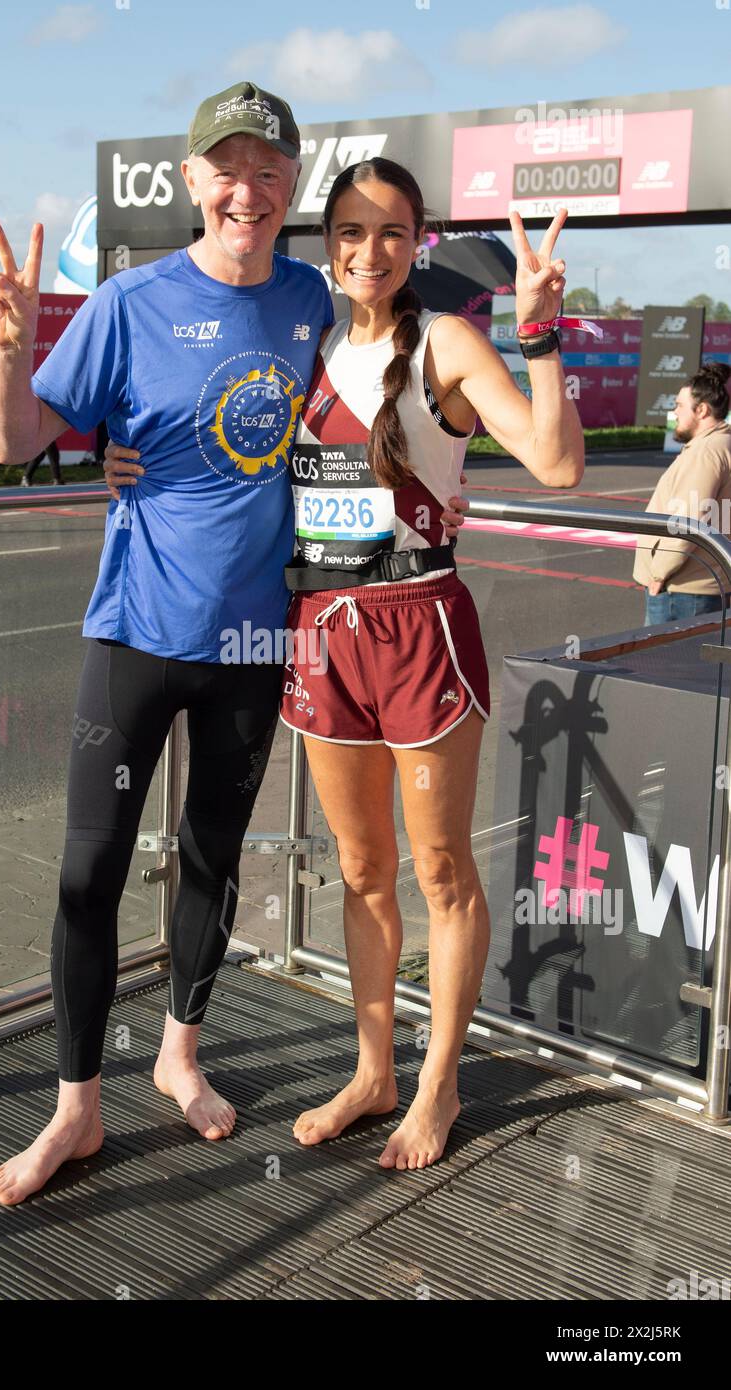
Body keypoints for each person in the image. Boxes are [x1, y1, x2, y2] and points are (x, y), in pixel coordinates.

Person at [0, 82, 469, 1207]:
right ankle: (76, 1106)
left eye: (267, 171)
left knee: (211, 860)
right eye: (225, 168)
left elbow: (420, 382)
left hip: (263, 640)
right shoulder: (126, 301)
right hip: (137, 630)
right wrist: (10, 351)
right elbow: (15, 442)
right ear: (193, 182)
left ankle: (179, 1055)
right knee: (88, 870)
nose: (245, 190)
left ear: (289, 186)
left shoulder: (320, 297)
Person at [108, 157, 585, 1171]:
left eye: (392, 233)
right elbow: (220, 438)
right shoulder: (308, 343)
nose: (370, 252)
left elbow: (556, 461)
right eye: (352, 233)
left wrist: (540, 332)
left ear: (421, 242)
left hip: (419, 625)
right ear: (331, 245)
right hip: (320, 631)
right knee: (364, 871)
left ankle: (438, 1085)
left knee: (441, 869)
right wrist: (122, 455)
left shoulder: (446, 341)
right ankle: (373, 1071)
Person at [633, 362, 731, 625]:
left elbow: (689, 518)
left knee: (664, 665)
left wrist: (659, 574)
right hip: (703, 583)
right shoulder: (721, 444)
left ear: (702, 410)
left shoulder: (706, 452)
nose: (673, 412)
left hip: (684, 590)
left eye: (678, 406)